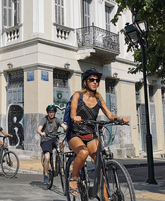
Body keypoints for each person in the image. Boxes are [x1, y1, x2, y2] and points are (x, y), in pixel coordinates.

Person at [67, 68, 129, 197]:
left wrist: (120, 119)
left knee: (102, 163)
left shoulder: (99, 100)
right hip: (75, 134)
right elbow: (73, 110)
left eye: (97, 80)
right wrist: (75, 117)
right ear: (85, 82)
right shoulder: (77, 95)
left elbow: (110, 115)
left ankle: (105, 196)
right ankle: (73, 178)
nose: (95, 82)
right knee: (83, 152)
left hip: (90, 135)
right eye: (92, 80)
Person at [37, 105, 67, 184]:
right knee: (47, 157)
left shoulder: (57, 120)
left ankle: (61, 158)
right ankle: (46, 176)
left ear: (54, 113)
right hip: (45, 140)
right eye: (50, 112)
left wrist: (67, 128)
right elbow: (39, 129)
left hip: (54, 139)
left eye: (53, 112)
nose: (51, 114)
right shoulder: (44, 120)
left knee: (60, 142)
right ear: (47, 113)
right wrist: (41, 132)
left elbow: (63, 125)